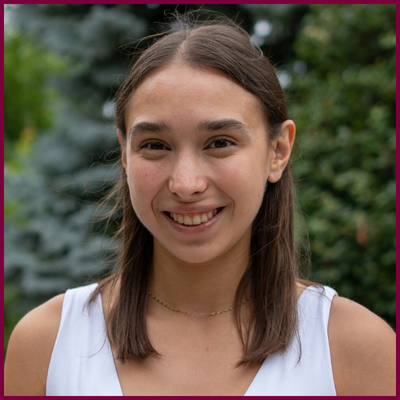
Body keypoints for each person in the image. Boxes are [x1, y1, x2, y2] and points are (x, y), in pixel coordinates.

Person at [4, 17, 396, 396]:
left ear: (278, 151)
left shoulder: (357, 349)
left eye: (220, 142)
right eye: (155, 145)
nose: (186, 184)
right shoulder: (46, 344)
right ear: (124, 153)